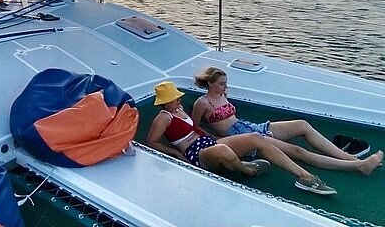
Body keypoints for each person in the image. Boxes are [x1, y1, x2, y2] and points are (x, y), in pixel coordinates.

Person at [146, 81, 340, 195]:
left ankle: (305, 177)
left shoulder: (178, 110)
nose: (179, 99)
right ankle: (246, 169)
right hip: (195, 152)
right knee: (223, 151)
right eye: (175, 97)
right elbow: (151, 141)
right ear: (165, 101)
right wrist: (176, 154)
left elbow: (196, 127)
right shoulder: (164, 117)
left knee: (256, 137)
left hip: (208, 142)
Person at [191, 67, 382, 174]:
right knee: (299, 152)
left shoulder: (222, 95)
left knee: (302, 125)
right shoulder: (203, 102)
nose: (226, 87)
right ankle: (359, 166)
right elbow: (195, 127)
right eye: (222, 84)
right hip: (240, 135)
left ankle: (348, 157)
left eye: (226, 83)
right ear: (210, 83)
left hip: (249, 126)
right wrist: (217, 138)